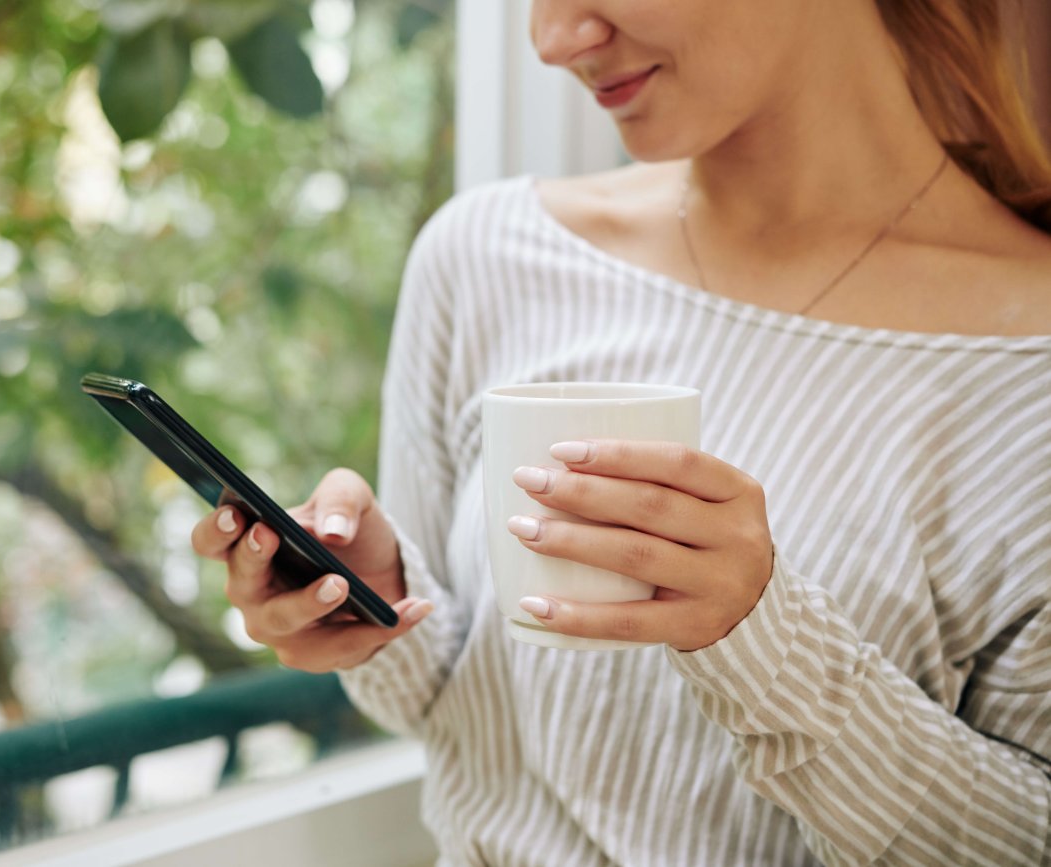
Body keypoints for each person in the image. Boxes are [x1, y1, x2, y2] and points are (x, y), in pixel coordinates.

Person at [193, 0, 1051, 863]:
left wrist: (765, 644)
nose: (552, 40)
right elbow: (462, 714)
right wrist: (380, 600)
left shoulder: (1028, 374)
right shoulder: (486, 256)